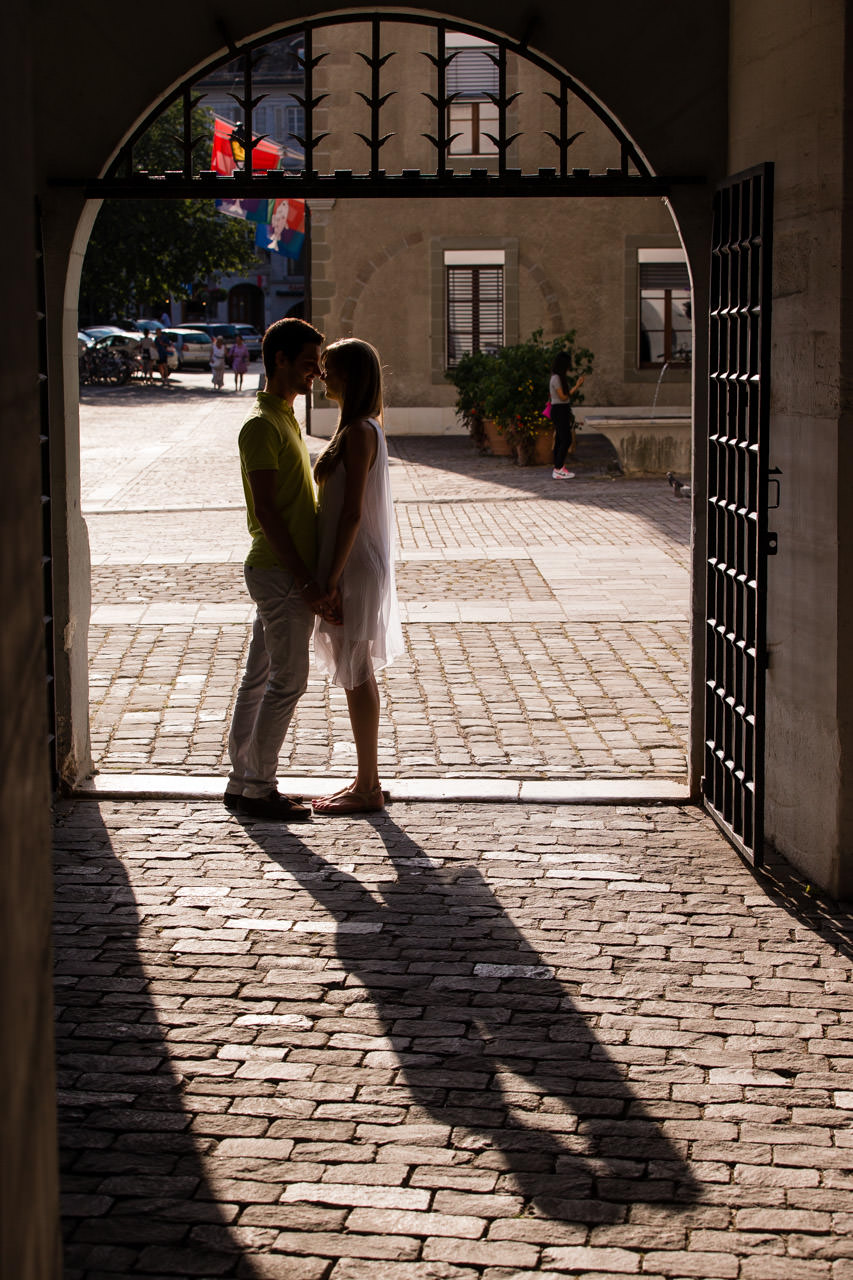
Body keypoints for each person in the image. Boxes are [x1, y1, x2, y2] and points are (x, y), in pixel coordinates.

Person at [224, 318, 330, 821]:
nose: (317, 373)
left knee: (259, 676)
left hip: (280, 571)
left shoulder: (284, 415)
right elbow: (266, 510)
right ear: (281, 360)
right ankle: (258, 789)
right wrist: (305, 579)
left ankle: (241, 780)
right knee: (287, 682)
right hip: (280, 572)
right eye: (308, 364)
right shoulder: (260, 425)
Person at [310, 338, 404, 815]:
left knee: (357, 670)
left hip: (354, 564)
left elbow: (350, 515)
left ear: (349, 376)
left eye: (329, 369)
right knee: (355, 670)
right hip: (353, 562)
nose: (322, 376)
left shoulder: (362, 431)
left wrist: (330, 580)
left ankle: (367, 784)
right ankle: (366, 779)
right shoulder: (357, 428)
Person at [549, 351, 585, 479]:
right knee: (566, 439)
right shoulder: (556, 378)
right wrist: (576, 386)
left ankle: (558, 467)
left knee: (560, 439)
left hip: (561, 409)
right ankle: (558, 468)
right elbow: (563, 397)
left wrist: (576, 386)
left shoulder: (558, 377)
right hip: (559, 410)